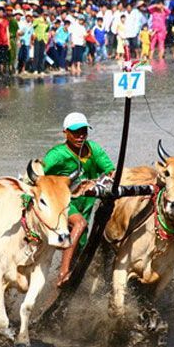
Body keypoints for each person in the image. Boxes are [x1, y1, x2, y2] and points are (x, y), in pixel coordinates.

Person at [43, 112, 115, 287]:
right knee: (80, 224)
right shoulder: (57, 155)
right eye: (75, 132)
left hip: (85, 205)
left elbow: (111, 172)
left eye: (84, 131)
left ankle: (64, 288)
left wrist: (100, 181)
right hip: (61, 203)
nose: (80, 136)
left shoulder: (94, 150)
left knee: (80, 247)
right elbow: (38, 176)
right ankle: (63, 273)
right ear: (65, 132)